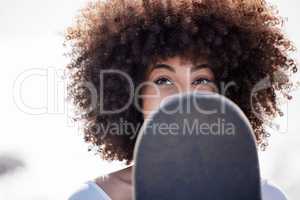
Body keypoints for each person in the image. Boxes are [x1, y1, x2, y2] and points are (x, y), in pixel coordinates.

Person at [64, 0, 297, 199]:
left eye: (200, 80)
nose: (184, 95)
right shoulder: (95, 197)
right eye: (163, 80)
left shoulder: (265, 196)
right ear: (135, 96)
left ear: (224, 95)